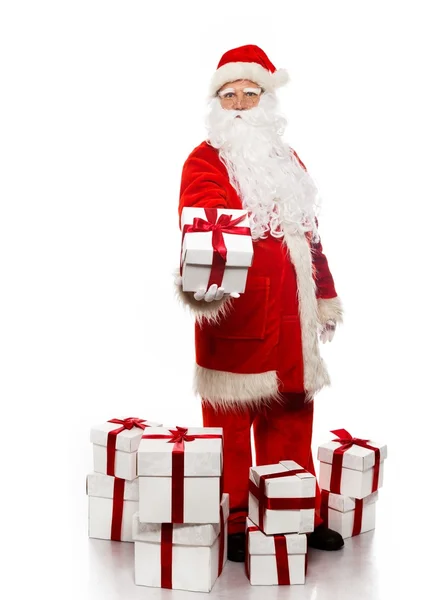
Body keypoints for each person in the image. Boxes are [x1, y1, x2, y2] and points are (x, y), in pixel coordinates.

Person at [176, 45, 344, 560]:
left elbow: (309, 232)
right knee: (230, 420)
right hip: (237, 310)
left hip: (293, 313)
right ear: (217, 103)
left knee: (292, 413)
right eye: (231, 95)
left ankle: (297, 511)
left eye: (252, 93)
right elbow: (204, 221)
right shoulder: (204, 160)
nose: (242, 104)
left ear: (269, 100)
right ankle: (231, 521)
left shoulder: (288, 159)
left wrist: (326, 294)